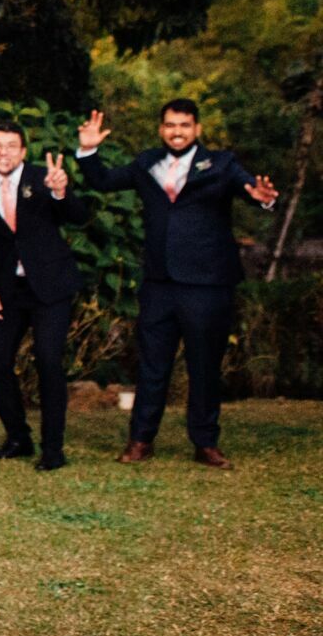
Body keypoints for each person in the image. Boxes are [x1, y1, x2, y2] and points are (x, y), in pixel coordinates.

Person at [77, 101, 277, 469]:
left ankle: (206, 443)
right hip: (159, 284)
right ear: (161, 129)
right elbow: (103, 181)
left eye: (184, 125)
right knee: (152, 365)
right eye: (170, 125)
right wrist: (88, 151)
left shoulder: (222, 164)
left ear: (197, 129)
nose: (177, 132)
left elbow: (248, 187)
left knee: (204, 366)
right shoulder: (146, 163)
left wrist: (261, 198)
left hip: (207, 284)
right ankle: (140, 440)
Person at [0, 124, 86, 471]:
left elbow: (78, 217)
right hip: (8, 290)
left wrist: (60, 192)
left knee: (48, 360)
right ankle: (19, 437)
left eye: (10, 146)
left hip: (50, 287)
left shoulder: (43, 178)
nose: (3, 152)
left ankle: (53, 448)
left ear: (22, 151)